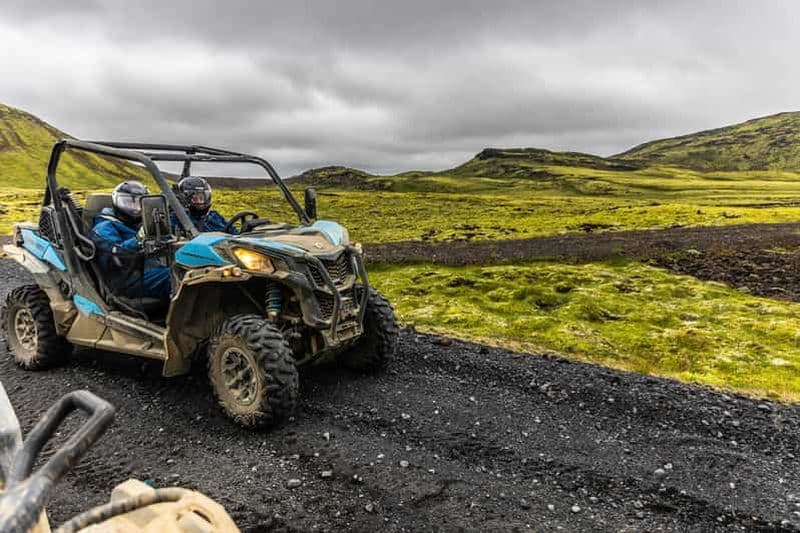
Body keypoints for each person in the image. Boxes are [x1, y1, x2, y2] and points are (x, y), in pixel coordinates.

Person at [89, 181, 171, 301]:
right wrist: (138, 240)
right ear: (116, 202)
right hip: (126, 279)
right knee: (175, 277)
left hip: (148, 270)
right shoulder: (104, 227)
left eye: (139, 204)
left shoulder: (141, 224)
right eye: (128, 203)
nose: (135, 209)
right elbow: (115, 255)